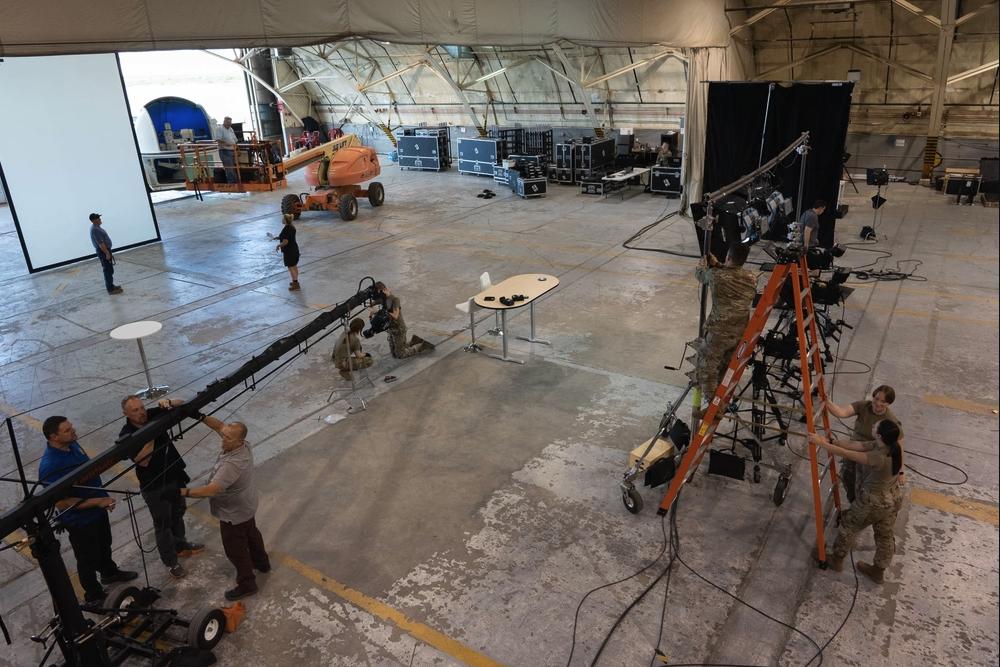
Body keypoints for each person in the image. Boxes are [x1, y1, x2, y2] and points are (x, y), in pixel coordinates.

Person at [39, 416, 137, 604]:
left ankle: (109, 572)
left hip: (97, 510)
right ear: (53, 437)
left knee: (104, 544)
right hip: (80, 521)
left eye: (71, 427)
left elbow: (89, 474)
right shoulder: (50, 466)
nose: (73, 431)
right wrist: (97, 502)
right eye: (67, 430)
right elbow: (61, 503)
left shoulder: (73, 444)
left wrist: (102, 499)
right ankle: (93, 594)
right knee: (87, 559)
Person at [180, 414, 269, 601]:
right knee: (251, 533)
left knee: (235, 549)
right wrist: (197, 414)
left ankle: (247, 583)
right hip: (246, 506)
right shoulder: (243, 445)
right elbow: (219, 426)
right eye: (224, 436)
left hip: (233, 513)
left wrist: (182, 492)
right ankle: (262, 563)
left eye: (228, 438)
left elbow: (210, 490)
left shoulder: (232, 464)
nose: (223, 440)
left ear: (239, 441)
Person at [119, 395, 204, 578]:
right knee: (163, 523)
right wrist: (153, 432)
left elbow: (183, 403)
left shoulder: (151, 414)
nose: (141, 413)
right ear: (125, 413)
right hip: (155, 485)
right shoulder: (126, 434)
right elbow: (143, 460)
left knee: (178, 511)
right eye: (135, 410)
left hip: (173, 475)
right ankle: (170, 562)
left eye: (142, 408)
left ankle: (180, 545)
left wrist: (169, 402)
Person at [810, 419, 904, 584]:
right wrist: (831, 441)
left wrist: (820, 443)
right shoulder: (891, 447)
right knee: (885, 535)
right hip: (892, 499)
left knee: (849, 526)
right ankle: (878, 570)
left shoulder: (878, 457)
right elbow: (857, 445)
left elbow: (849, 454)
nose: (873, 425)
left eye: (875, 425)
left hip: (873, 502)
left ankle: (837, 559)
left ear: (879, 434)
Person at [687, 242, 758, 420]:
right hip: (740, 332)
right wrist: (718, 263)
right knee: (724, 369)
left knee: (706, 368)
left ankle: (713, 408)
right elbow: (730, 273)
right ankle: (720, 403)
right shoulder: (751, 277)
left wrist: (704, 262)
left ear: (728, 256)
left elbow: (700, 275)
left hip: (719, 332)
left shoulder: (716, 276)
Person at [826, 385, 903, 503]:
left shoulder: (890, 421)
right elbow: (842, 412)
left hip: (869, 458)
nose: (878, 403)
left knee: (863, 486)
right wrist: (827, 401)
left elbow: (899, 446)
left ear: (889, 403)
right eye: (876, 399)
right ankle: (853, 502)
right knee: (848, 478)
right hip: (855, 447)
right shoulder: (864, 406)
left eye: (883, 402)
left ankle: (859, 507)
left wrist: (900, 471)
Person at [372, 282, 434, 359]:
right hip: (391, 328)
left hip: (399, 328)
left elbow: (395, 315)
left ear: (384, 290)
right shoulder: (383, 299)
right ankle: (414, 341)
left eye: (379, 292)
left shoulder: (395, 300)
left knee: (400, 354)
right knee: (394, 353)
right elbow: (373, 303)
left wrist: (380, 311)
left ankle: (421, 346)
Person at [89, 213, 123, 295]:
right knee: (107, 270)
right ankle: (110, 290)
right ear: (93, 220)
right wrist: (107, 253)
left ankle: (111, 286)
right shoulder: (95, 229)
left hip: (105, 251)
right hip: (103, 252)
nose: (100, 219)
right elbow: (100, 243)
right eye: (98, 218)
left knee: (110, 269)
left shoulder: (97, 227)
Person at [276, 213, 300, 291]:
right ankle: (295, 281)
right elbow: (287, 237)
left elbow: (285, 242)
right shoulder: (292, 227)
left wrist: (279, 245)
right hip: (294, 249)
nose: (282, 220)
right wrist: (278, 237)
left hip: (289, 251)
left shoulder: (286, 229)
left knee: (291, 268)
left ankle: (295, 285)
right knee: (294, 266)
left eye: (283, 219)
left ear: (285, 220)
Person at [217, 117, 238, 183]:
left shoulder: (230, 129)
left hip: (232, 150)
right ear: (224, 122)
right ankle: (232, 183)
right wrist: (227, 144)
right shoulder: (220, 128)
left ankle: (235, 182)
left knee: (233, 168)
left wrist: (237, 149)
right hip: (224, 151)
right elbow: (218, 140)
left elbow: (235, 140)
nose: (229, 124)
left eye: (230, 123)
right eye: (228, 122)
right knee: (229, 169)